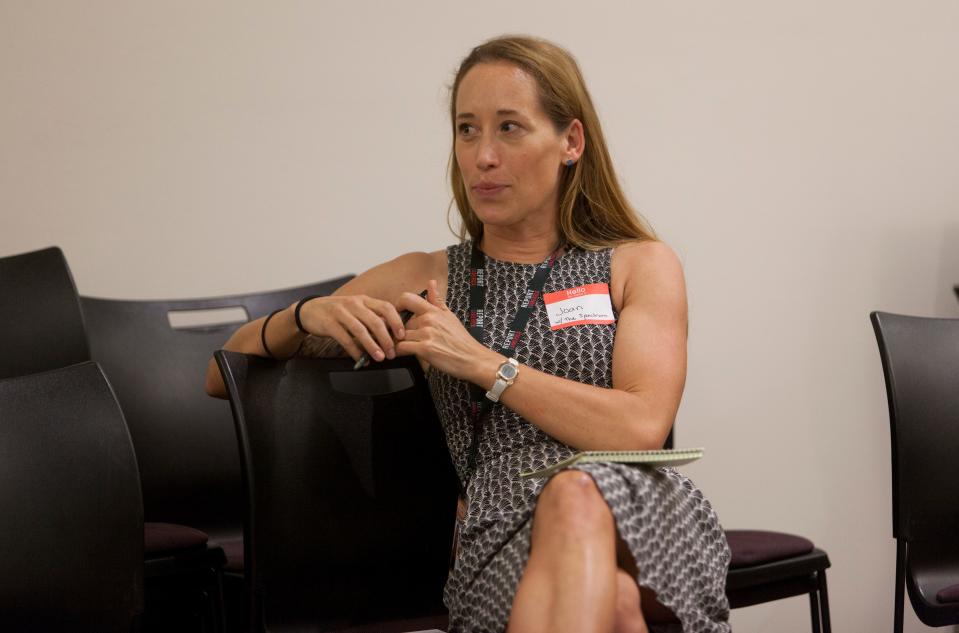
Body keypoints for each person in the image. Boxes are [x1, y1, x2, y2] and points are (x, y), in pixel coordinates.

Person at [205, 35, 730, 633]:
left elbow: (641, 428)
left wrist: (485, 365)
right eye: (467, 129)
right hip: (501, 527)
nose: (483, 155)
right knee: (612, 606)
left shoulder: (637, 263)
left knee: (575, 493)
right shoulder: (427, 277)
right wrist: (302, 317)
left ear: (570, 142)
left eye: (509, 128)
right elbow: (220, 373)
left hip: (639, 508)